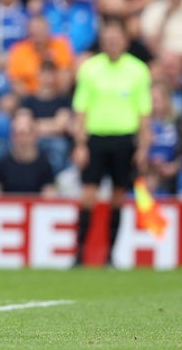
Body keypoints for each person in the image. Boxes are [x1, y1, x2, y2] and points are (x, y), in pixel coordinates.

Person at [71, 16, 152, 267]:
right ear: (103, 42)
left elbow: (144, 114)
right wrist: (80, 144)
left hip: (124, 140)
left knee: (118, 196)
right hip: (96, 139)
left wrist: (143, 148)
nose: (112, 43)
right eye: (108, 39)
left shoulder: (138, 70)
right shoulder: (90, 68)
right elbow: (80, 111)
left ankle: (110, 256)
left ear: (125, 41)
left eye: (116, 39)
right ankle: (80, 255)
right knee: (88, 196)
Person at [0, 110, 56, 198]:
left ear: (35, 135)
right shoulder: (3, 162)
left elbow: (49, 193)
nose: (22, 139)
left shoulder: (44, 163)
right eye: (18, 134)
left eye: (26, 134)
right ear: (12, 137)